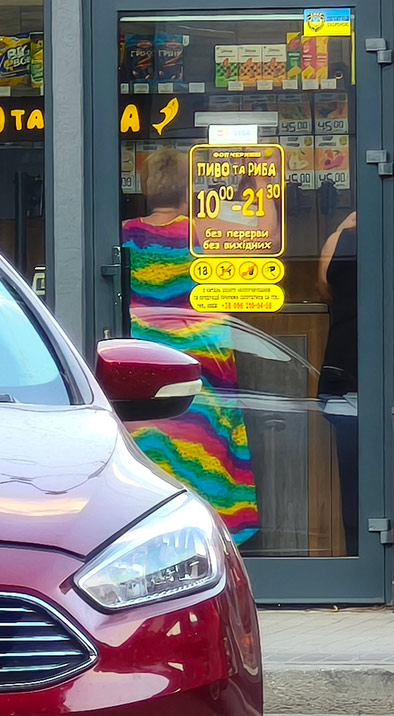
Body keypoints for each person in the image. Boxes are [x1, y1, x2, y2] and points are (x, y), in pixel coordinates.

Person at [121, 148, 260, 545]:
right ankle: (210, 539)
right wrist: (261, 181)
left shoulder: (123, 233)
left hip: (146, 363)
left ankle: (156, 539)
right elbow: (265, 232)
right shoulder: (203, 231)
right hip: (203, 361)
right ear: (188, 187)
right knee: (207, 449)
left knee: (151, 453)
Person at [318, 211, 359, 555]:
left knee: (352, 473)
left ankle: (357, 552)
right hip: (388, 367)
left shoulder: (338, 239)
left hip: (342, 364)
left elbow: (324, 290)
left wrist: (342, 228)